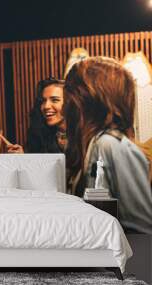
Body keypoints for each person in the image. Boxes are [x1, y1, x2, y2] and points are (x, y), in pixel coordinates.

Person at [64, 56, 152, 234]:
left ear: (88, 99)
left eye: (70, 94)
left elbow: (141, 229)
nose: (66, 104)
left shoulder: (112, 145)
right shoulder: (91, 144)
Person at [4, 78, 66, 153]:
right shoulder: (41, 136)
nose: (46, 106)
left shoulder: (82, 136)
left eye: (54, 100)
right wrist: (24, 157)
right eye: (43, 101)